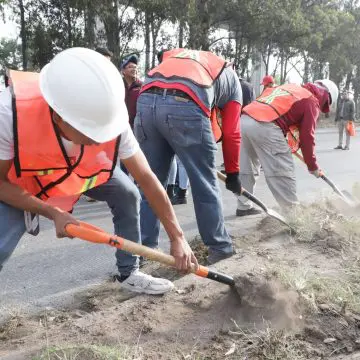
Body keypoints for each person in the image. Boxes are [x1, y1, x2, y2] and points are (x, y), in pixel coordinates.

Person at [0, 47, 197, 295]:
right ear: (59, 117)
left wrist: (177, 236)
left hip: (79, 170)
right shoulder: (10, 113)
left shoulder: (110, 117)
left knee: (127, 193)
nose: (99, 141)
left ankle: (129, 272)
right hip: (23, 181)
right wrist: (51, 211)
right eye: (90, 134)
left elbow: (146, 178)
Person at [135, 48, 243, 265]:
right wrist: (233, 174)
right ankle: (220, 247)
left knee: (151, 183)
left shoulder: (181, 57)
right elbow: (231, 133)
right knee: (204, 183)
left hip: (145, 100)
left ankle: (146, 250)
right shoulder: (231, 79)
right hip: (185, 104)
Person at [236, 79, 338, 216]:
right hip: (265, 125)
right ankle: (293, 215)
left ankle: (243, 206)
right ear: (326, 96)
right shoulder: (311, 101)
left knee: (247, 167)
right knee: (282, 171)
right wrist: (313, 166)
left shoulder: (290, 87)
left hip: (244, 120)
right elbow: (307, 138)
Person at [121, 55, 142, 129]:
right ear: (123, 71)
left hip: (137, 128)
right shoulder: (117, 85)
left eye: (135, 67)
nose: (134, 69)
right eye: (130, 67)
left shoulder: (142, 86)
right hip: (120, 126)